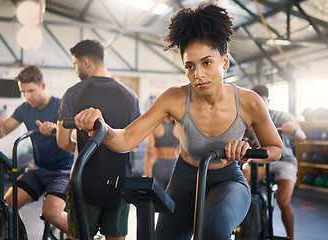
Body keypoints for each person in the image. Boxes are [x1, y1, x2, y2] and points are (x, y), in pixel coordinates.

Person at [72, 2, 283, 240]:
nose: (198, 74)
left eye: (207, 62)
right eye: (189, 66)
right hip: (184, 179)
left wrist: (248, 151)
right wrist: (103, 127)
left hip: (228, 180)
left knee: (212, 227)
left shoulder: (249, 101)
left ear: (225, 61)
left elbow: (275, 149)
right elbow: (127, 139)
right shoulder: (174, 98)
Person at [56, 39, 141, 240]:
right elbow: (135, 142)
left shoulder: (74, 92)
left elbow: (62, 142)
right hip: (120, 184)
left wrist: (78, 148)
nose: (76, 70)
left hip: (84, 185)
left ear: (86, 62)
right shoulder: (130, 95)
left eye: (75, 64)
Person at [0, 65, 74, 236]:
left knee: (51, 213)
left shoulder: (61, 106)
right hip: (38, 170)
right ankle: (20, 236)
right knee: (6, 205)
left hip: (63, 172)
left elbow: (75, 137)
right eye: (23, 91)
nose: (27, 96)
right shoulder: (25, 109)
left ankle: (84, 235)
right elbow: (3, 130)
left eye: (31, 90)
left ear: (43, 86)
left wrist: (56, 129)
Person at [242, 85, 306, 240]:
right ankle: (245, 224)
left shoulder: (281, 116)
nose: (258, 105)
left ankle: (290, 237)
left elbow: (302, 137)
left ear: (268, 101)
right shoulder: (247, 119)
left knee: (283, 202)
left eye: (262, 101)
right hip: (262, 161)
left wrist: (293, 128)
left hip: (284, 161)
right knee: (246, 174)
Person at [144, 116, 179, 189]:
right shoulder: (178, 126)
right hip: (174, 165)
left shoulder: (155, 126)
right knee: (171, 197)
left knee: (157, 196)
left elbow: (150, 151)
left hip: (158, 165)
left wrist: (146, 174)